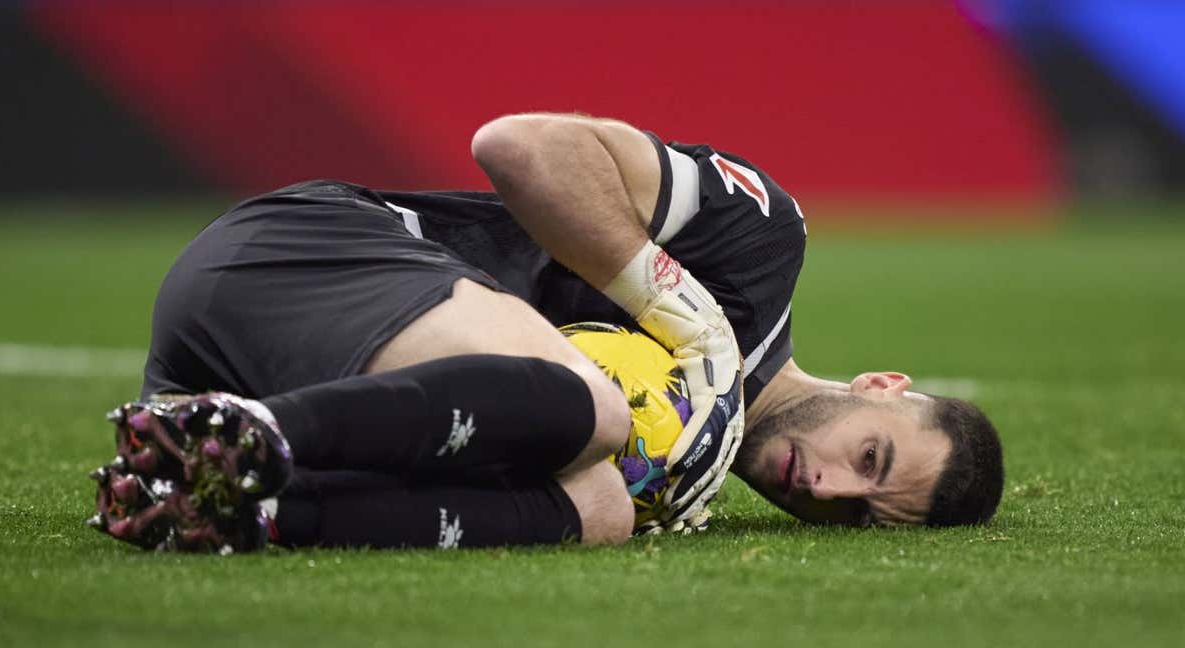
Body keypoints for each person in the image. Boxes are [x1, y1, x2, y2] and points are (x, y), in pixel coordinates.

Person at [86, 113, 1004, 552]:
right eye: (871, 459)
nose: (828, 486)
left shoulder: (677, 480)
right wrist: (680, 307)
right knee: (597, 417)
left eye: (854, 511)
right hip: (300, 250)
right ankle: (277, 441)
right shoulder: (763, 248)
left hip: (248, 364)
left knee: (597, 511)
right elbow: (518, 146)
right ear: (881, 387)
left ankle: (240, 493)